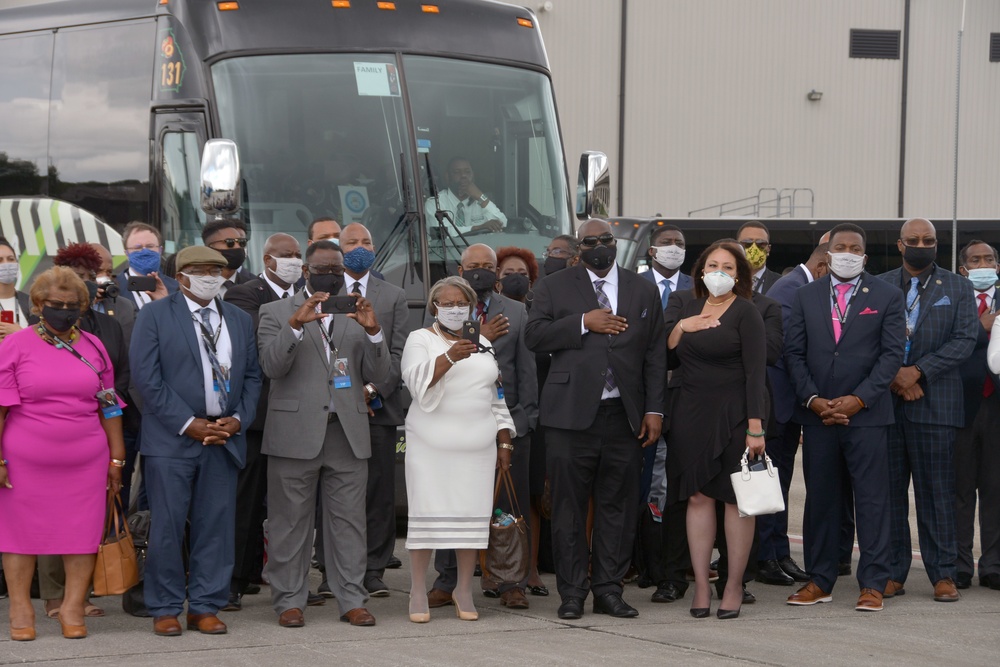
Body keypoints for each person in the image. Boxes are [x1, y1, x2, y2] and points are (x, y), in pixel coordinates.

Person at [525, 219, 666, 620]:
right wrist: (585, 323)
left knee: (617, 508)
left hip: (624, 416)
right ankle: (572, 593)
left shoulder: (641, 286)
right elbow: (534, 335)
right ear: (578, 249)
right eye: (592, 242)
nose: (601, 246)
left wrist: (654, 409)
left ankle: (608, 589)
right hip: (569, 417)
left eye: (607, 240)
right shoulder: (554, 285)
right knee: (568, 508)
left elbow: (655, 353)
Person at [130, 246, 262, 637]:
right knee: (168, 527)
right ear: (181, 276)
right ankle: (166, 606)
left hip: (223, 437)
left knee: (216, 526)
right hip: (173, 440)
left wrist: (238, 421)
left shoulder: (237, 319)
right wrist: (188, 424)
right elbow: (146, 380)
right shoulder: (155, 315)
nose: (210, 277)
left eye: (216, 271)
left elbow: (253, 377)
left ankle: (205, 605)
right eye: (201, 270)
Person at [256, 240, 388, 629]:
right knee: (289, 523)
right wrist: (296, 324)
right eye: (322, 267)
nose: (330, 273)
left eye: (337, 268)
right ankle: (289, 600)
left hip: (346, 433)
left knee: (348, 522)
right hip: (293, 433)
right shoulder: (275, 311)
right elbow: (271, 366)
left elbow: (382, 376)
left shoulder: (355, 312)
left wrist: (375, 331)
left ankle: (351, 598)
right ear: (306, 270)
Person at [0, 266, 126, 641]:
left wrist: (116, 458)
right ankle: (21, 607)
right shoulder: (15, 344)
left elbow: (110, 405)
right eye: (57, 304)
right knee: (20, 537)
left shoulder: (94, 345)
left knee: (81, 535)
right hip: (24, 460)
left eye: (73, 305)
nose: (65, 311)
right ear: (39, 305)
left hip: (87, 459)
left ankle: (72, 607)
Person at [784, 223, 905, 612]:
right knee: (821, 500)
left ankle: (872, 583)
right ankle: (819, 580)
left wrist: (859, 399)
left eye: (855, 248)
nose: (848, 252)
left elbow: (891, 356)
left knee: (872, 501)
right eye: (841, 247)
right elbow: (794, 355)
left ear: (864, 257)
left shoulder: (887, 295)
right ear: (828, 252)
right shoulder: (805, 295)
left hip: (867, 417)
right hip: (819, 415)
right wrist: (813, 399)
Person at [428, 245, 538, 610]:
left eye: (488, 267)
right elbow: (435, 366)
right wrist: (482, 337)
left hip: (505, 425)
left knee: (508, 504)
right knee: (452, 504)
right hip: (456, 425)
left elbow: (527, 373)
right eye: (473, 266)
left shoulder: (518, 312)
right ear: (461, 268)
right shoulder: (445, 310)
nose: (481, 272)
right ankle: (446, 581)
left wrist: (522, 421)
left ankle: (511, 583)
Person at [663, 240, 766, 619]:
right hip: (690, 413)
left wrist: (756, 427)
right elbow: (666, 357)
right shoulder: (687, 308)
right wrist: (679, 328)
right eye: (712, 266)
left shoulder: (746, 313)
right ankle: (702, 587)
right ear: (701, 272)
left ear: (738, 274)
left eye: (727, 266)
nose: (718, 272)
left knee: (735, 502)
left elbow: (756, 373)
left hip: (735, 415)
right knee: (696, 498)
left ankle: (734, 584)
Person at [403, 276, 516, 623]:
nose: (455, 309)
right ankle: (418, 589)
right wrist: (450, 357)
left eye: (461, 303)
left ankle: (463, 588)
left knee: (472, 520)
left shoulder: (482, 341)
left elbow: (495, 392)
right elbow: (414, 381)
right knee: (426, 518)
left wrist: (504, 437)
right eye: (447, 303)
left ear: (471, 306)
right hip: (430, 447)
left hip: (477, 447)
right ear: (434, 307)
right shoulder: (419, 339)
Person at [877, 218, 976, 602]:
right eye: (914, 240)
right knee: (889, 495)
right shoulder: (880, 285)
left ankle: (943, 574)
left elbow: (965, 339)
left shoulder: (958, 286)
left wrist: (917, 372)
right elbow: (867, 341)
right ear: (901, 245)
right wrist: (894, 377)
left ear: (937, 244)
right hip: (886, 407)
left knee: (937, 494)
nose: (922, 244)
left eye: (929, 240)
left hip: (935, 405)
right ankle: (892, 572)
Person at [36, 244, 136, 619]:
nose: (86, 283)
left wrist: (109, 428)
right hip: (51, 435)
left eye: (90, 276)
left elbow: (119, 376)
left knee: (88, 515)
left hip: (98, 432)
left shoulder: (106, 325)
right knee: (50, 515)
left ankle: (82, 593)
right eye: (77, 276)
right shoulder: (39, 330)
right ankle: (53, 596)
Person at [221, 233, 303, 611]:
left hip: (298, 413)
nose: (293, 261)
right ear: (268, 259)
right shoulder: (245, 293)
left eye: (298, 255)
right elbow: (261, 341)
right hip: (259, 415)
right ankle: (236, 580)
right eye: (286, 255)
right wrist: (300, 318)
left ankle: (293, 582)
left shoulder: (307, 293)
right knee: (248, 501)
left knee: (292, 507)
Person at [336, 223, 408, 598]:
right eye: (352, 243)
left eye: (366, 242)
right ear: (338, 249)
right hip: (334, 410)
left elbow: (398, 354)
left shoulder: (394, 296)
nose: (359, 248)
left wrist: (372, 388)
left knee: (379, 492)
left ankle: (374, 568)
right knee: (339, 491)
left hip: (378, 409)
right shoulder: (323, 293)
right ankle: (335, 565)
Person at [754, 242, 829, 586]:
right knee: (768, 484)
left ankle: (779, 551)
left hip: (788, 406)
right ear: (824, 265)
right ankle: (764, 557)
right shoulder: (792, 288)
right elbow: (787, 350)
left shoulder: (798, 285)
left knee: (780, 485)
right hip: (778, 403)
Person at [957, 240, 1000, 591]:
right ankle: (958, 565)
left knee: (995, 490)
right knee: (959, 490)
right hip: (960, 407)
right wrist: (980, 327)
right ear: (963, 269)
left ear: (997, 267)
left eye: (988, 259)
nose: (982, 263)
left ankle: (993, 566)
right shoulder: (954, 304)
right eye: (975, 259)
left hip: (997, 409)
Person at [423, 157, 507, 236]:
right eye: (457, 172)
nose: (463, 175)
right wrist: (477, 228)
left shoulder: (480, 200)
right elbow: (442, 233)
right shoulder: (435, 203)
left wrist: (480, 196)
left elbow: (503, 223)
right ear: (447, 176)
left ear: (473, 175)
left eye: (467, 172)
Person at [116, 222, 179, 311]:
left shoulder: (176, 288)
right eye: (137, 247)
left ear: (160, 250)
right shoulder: (115, 287)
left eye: (150, 246)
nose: (144, 251)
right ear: (126, 253)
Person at [89, 242, 136, 344]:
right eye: (98, 271)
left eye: (108, 272)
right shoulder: (70, 305)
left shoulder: (126, 307)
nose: (104, 277)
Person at [202, 218, 253, 297]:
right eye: (230, 243)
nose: (237, 246)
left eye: (241, 242)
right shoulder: (197, 286)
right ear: (210, 248)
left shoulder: (254, 286)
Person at [0, 238, 34, 342]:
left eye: (10, 259)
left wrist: (19, 333)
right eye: (0, 260)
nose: (6, 264)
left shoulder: (31, 303)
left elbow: (43, 344)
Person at [736, 221, 781, 295]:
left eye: (761, 244)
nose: (754, 248)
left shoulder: (780, 283)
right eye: (747, 243)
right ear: (736, 247)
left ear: (768, 249)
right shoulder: (725, 281)